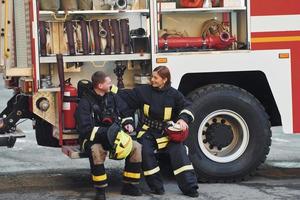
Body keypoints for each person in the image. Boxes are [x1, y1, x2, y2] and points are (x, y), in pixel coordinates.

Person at [120, 66, 199, 197]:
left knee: (179, 152)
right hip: (147, 132)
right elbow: (125, 103)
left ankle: (190, 187)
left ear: (164, 79)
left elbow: (188, 106)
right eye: (152, 77)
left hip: (167, 133)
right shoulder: (142, 91)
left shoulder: (174, 94)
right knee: (145, 152)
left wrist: (183, 119)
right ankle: (156, 187)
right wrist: (128, 122)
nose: (152, 80)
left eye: (155, 78)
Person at [75, 71, 142, 200]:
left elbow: (125, 111)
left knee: (136, 147)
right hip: (94, 139)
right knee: (96, 151)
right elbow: (85, 129)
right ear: (100, 85)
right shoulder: (85, 102)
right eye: (108, 83)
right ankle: (100, 190)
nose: (111, 85)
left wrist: (128, 123)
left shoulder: (113, 96)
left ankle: (130, 186)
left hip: (115, 137)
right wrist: (107, 133)